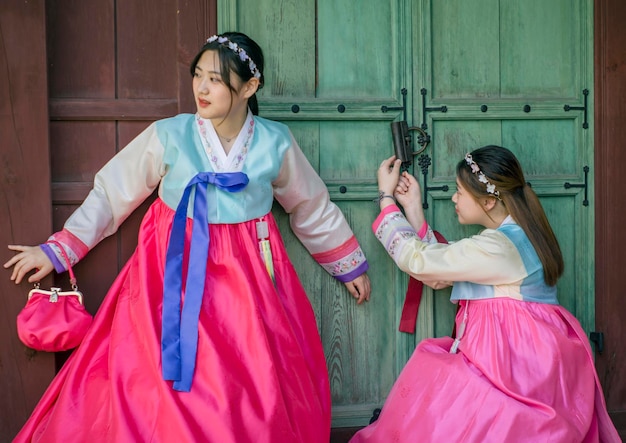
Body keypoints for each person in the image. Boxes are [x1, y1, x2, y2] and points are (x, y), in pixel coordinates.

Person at [4, 31, 371, 443]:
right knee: (164, 385)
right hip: (170, 273)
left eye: (215, 79)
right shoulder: (170, 134)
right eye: (198, 75)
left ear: (250, 86)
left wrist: (346, 262)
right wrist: (58, 249)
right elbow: (112, 195)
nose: (201, 87)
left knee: (252, 381)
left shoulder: (274, 141)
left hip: (248, 274)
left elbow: (309, 205)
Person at [351, 146, 620, 442]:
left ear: (489, 201)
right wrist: (413, 208)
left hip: (510, 373)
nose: (454, 198)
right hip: (519, 365)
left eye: (459, 191)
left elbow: (421, 261)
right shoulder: (512, 239)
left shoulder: (499, 248)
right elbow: (442, 269)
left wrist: (386, 199)